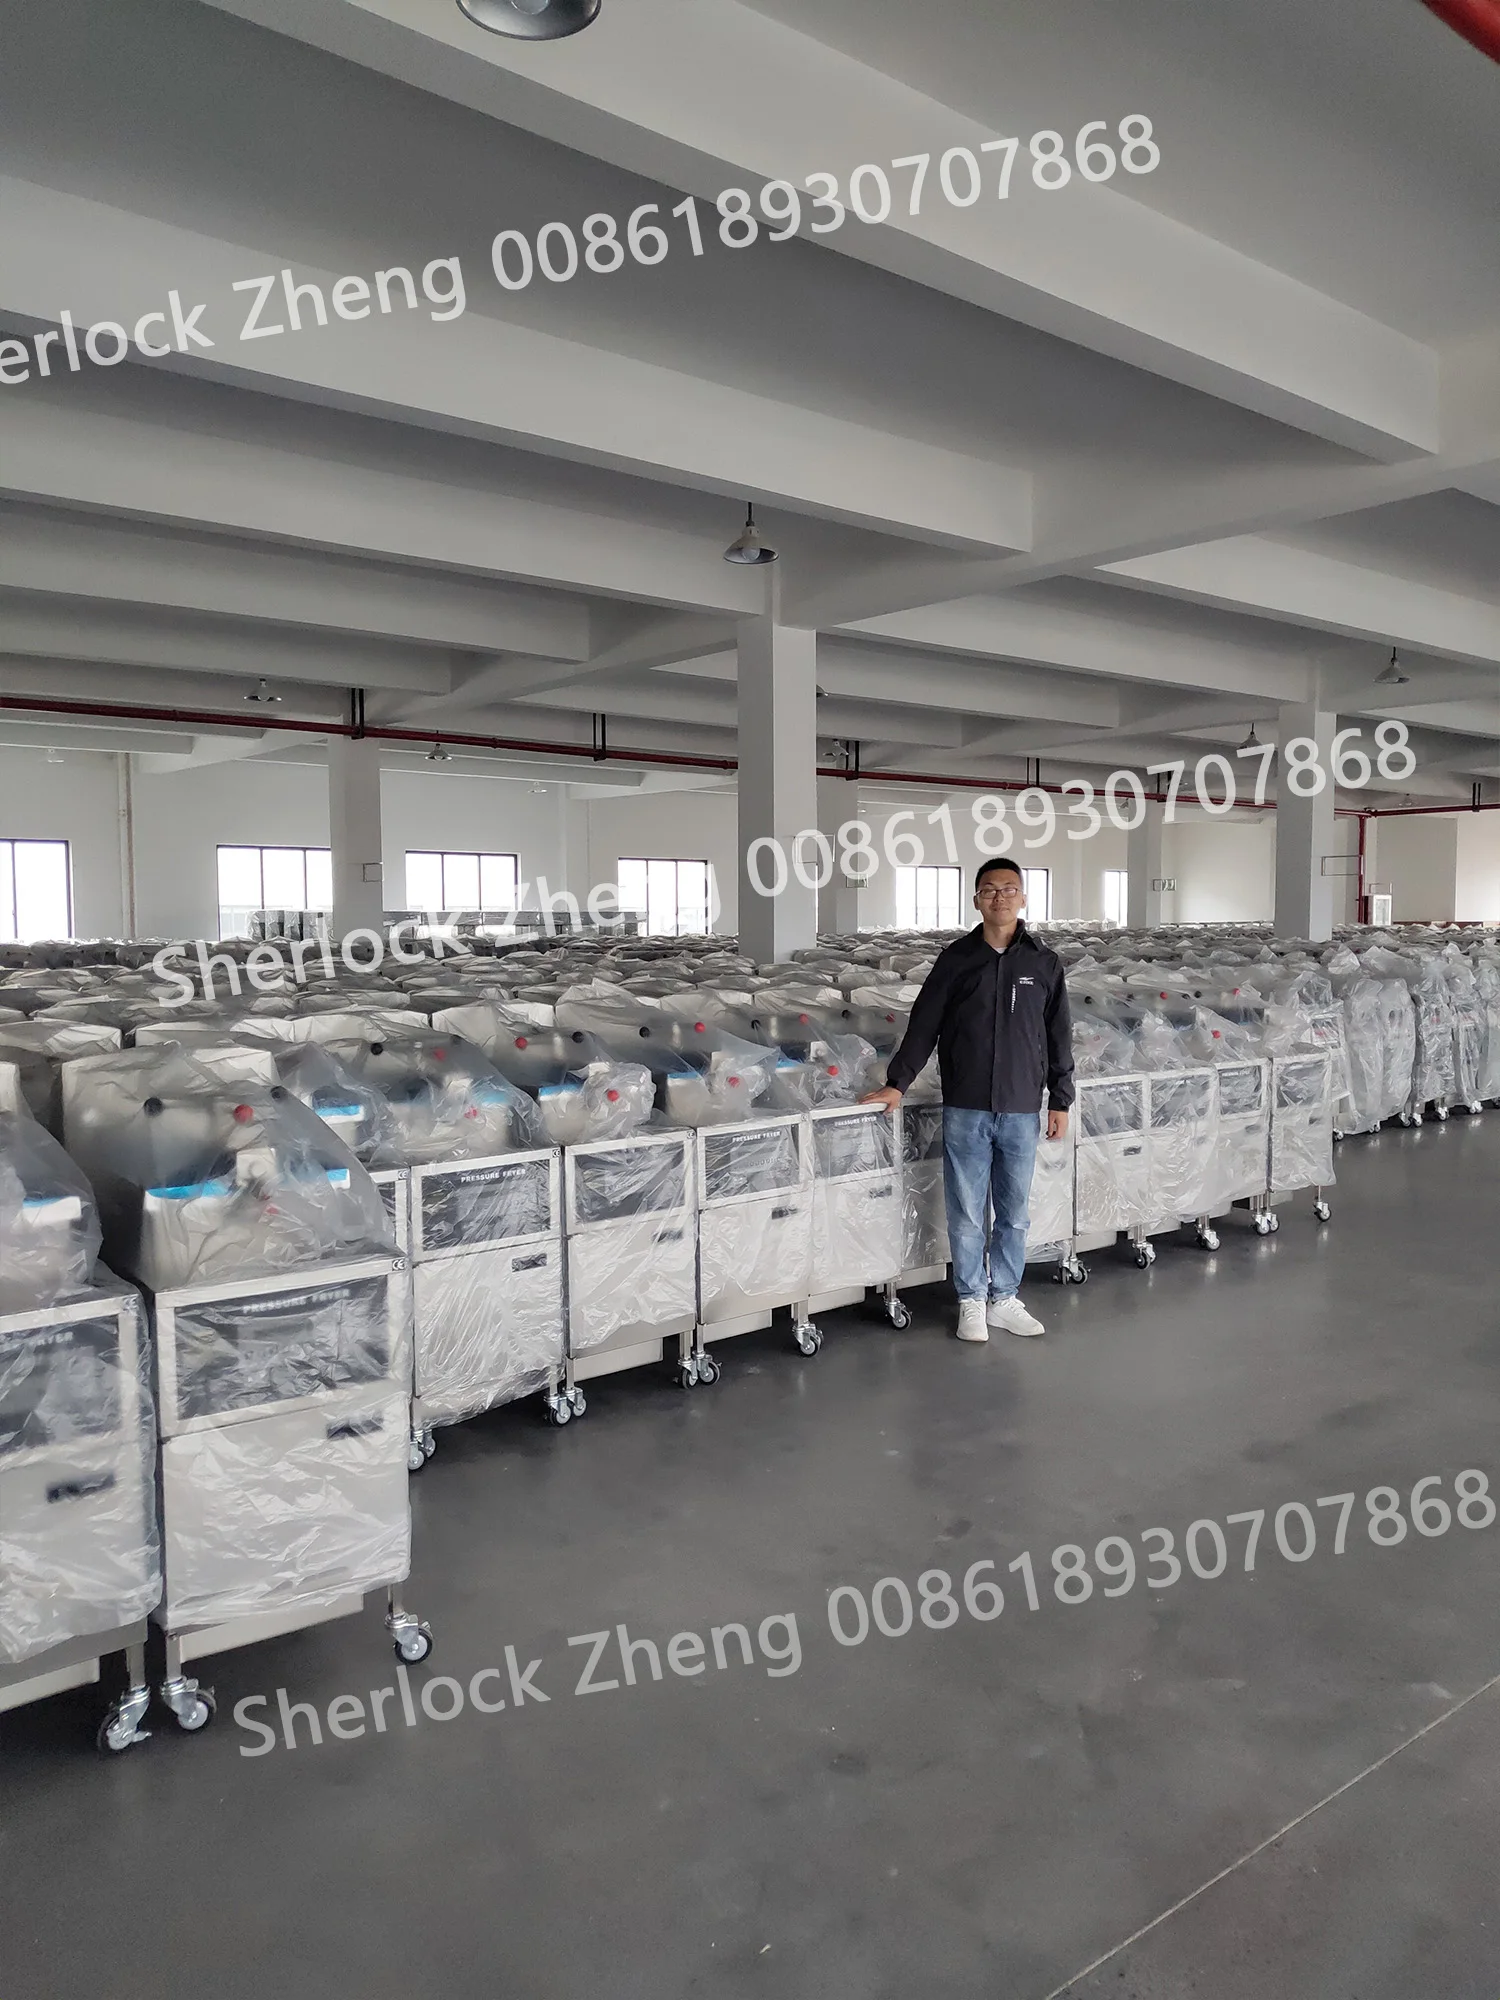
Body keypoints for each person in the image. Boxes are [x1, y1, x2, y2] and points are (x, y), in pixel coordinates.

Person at [862, 856, 1074, 1344]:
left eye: (1008, 889)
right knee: (966, 1211)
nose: (1000, 897)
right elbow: (925, 1025)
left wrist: (1060, 1099)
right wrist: (898, 1082)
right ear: (977, 900)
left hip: (1021, 1105)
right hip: (967, 1104)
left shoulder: (1043, 963)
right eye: (989, 890)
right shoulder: (956, 960)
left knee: (1014, 1212)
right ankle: (972, 1299)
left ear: (1023, 897)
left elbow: (1058, 1034)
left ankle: (1005, 1297)